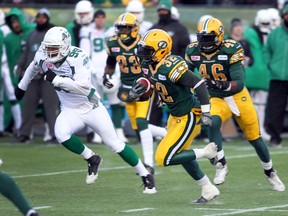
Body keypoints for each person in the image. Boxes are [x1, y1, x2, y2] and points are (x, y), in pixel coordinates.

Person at [14, 26, 157, 194]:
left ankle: (145, 175)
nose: (50, 52)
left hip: (91, 106)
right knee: (61, 134)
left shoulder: (78, 57)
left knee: (115, 144)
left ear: (65, 46)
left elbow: (82, 88)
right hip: (69, 108)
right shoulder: (43, 55)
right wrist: (22, 86)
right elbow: (33, 67)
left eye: (54, 48)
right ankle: (91, 157)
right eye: (48, 48)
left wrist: (57, 80)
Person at [185, 17, 285, 192]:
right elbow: (184, 75)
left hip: (237, 96)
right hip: (215, 97)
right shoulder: (193, 50)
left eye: (209, 38)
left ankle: (269, 171)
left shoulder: (232, 48)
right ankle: (221, 164)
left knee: (255, 138)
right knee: (212, 122)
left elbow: (239, 81)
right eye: (202, 37)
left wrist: (220, 84)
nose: (204, 42)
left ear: (220, 36)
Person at [130, 29, 220, 204]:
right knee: (181, 153)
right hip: (175, 115)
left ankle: (207, 152)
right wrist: (138, 93)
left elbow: (200, 84)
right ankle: (208, 188)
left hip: (189, 115)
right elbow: (152, 88)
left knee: (163, 158)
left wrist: (206, 112)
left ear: (162, 49)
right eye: (143, 50)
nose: (144, 55)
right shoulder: (150, 65)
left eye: (148, 51)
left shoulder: (171, 65)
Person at [103, 13, 167, 175]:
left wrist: (158, 89)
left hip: (143, 86)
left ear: (135, 28)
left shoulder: (144, 43)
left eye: (127, 28)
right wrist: (106, 75)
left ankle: (148, 164)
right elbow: (110, 62)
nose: (123, 31)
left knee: (141, 122)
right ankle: (169, 133)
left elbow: (155, 65)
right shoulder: (113, 43)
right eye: (121, 28)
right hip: (125, 88)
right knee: (138, 127)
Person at [80, 9, 128, 143]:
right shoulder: (87, 32)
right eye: (97, 17)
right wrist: (92, 71)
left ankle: (119, 131)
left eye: (102, 17)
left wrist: (117, 71)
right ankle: (97, 133)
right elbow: (84, 54)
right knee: (96, 103)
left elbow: (118, 52)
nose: (100, 20)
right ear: (94, 19)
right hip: (95, 72)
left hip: (111, 71)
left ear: (105, 19)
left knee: (116, 102)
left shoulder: (112, 32)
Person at [14, 8, 58, 143]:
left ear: (48, 19)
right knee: (28, 106)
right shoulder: (32, 35)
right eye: (39, 17)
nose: (41, 19)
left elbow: (58, 55)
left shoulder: (52, 35)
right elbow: (26, 53)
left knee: (51, 107)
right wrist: (19, 65)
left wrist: (49, 70)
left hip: (47, 76)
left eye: (44, 17)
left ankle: (55, 134)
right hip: (32, 76)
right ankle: (25, 133)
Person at [149, 0, 190, 128]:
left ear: (170, 11)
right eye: (160, 10)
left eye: (164, 10)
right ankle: (155, 130)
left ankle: (178, 127)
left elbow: (185, 49)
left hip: (174, 71)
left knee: (176, 100)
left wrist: (181, 66)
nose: (162, 12)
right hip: (157, 71)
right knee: (156, 103)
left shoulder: (180, 28)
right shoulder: (154, 28)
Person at [2, 8, 33, 136]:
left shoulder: (32, 31)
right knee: (19, 99)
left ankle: (50, 131)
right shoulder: (9, 38)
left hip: (37, 71)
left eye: (17, 20)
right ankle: (23, 130)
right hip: (20, 72)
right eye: (12, 21)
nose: (15, 24)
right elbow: (10, 59)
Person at [243, 9, 273, 142]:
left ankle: (256, 129)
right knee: (258, 104)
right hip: (260, 72)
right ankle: (256, 130)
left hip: (255, 72)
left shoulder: (251, 33)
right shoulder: (255, 34)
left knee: (256, 104)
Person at [263, 4, 288, 148]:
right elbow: (266, 51)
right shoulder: (275, 33)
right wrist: (270, 65)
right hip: (277, 77)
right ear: (283, 15)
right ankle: (275, 137)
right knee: (275, 108)